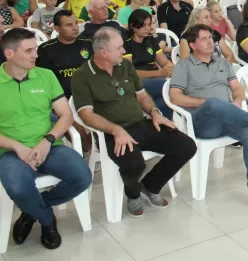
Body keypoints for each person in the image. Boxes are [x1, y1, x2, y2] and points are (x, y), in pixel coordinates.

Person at [72, 28, 196, 218]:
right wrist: (116, 130)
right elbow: (86, 115)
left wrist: (155, 113)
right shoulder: (82, 75)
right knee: (134, 163)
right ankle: (133, 194)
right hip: (110, 133)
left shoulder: (125, 66)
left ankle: (150, 185)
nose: (124, 51)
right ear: (103, 52)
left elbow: (142, 96)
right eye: (119, 48)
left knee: (186, 146)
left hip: (140, 123)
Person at [170, 24, 248, 212]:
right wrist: (206, 103)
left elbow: (237, 88)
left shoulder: (223, 63)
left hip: (228, 118)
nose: (210, 42)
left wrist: (237, 101)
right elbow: (175, 97)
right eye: (203, 39)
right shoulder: (183, 66)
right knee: (212, 103)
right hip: (203, 123)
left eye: (210, 38)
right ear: (192, 45)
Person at [0, 28, 92, 250]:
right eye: (29, 50)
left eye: (35, 49)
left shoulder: (45, 76)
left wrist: (48, 140)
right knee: (19, 188)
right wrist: (17, 147)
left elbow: (65, 115)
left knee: (82, 176)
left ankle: (33, 211)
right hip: (9, 151)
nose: (35, 55)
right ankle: (47, 219)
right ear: (9, 53)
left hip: (49, 146)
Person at [124, 9, 173, 119]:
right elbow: (130, 73)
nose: (148, 28)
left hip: (155, 78)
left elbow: (164, 62)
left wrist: (170, 68)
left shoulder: (150, 39)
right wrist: (160, 73)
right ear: (132, 26)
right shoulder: (126, 43)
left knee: (167, 98)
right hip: (136, 82)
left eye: (149, 24)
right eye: (143, 25)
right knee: (167, 86)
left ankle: (159, 120)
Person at [36, 9, 93, 96]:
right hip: (60, 96)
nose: (75, 28)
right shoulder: (46, 49)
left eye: (76, 23)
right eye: (69, 25)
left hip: (89, 92)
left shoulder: (89, 43)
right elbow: (43, 78)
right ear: (57, 28)